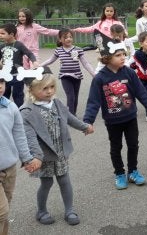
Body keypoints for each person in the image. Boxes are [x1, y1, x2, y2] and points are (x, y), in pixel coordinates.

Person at [83, 33, 147, 190]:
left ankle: (133, 171)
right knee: (116, 147)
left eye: (124, 54)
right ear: (107, 58)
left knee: (133, 144)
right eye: (118, 55)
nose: (123, 57)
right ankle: (119, 173)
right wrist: (88, 121)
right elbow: (93, 101)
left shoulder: (129, 73)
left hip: (130, 117)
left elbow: (141, 92)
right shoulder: (100, 78)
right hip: (112, 120)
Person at [21, 74, 94, 226]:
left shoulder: (56, 103)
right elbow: (30, 137)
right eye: (44, 88)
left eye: (52, 87)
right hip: (43, 155)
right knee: (46, 183)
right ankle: (41, 211)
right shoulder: (27, 111)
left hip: (60, 151)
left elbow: (69, 117)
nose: (49, 91)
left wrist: (84, 126)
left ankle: (70, 210)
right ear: (32, 90)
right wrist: (36, 157)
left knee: (64, 180)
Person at [0, 77, 41, 235]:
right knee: (2, 212)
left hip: (10, 167)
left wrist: (27, 158)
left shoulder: (10, 107)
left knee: (6, 207)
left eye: (1, 82)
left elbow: (19, 135)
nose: (0, 86)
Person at [39, 28, 96, 115]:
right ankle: (70, 115)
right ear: (60, 39)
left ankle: (73, 114)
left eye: (70, 37)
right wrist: (39, 66)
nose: (68, 39)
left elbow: (86, 63)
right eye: (65, 37)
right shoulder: (59, 50)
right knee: (71, 97)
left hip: (77, 76)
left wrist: (94, 74)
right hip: (65, 76)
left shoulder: (78, 49)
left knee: (75, 97)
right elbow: (51, 60)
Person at [0, 23, 38, 107]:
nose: (0, 35)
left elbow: (29, 54)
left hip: (17, 76)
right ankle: (4, 113)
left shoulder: (19, 45)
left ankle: (19, 113)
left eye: (3, 33)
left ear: (12, 34)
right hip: (5, 76)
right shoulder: (1, 46)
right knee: (4, 96)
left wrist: (34, 61)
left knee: (18, 96)